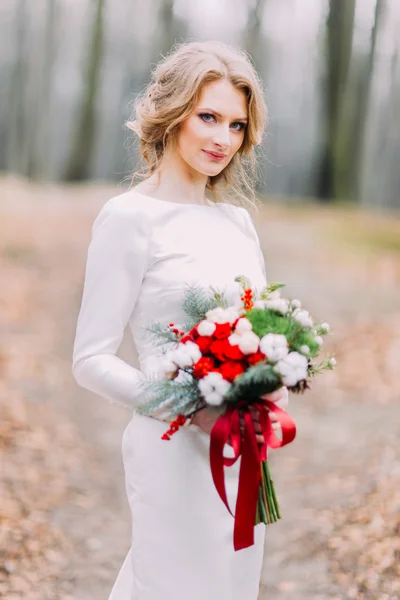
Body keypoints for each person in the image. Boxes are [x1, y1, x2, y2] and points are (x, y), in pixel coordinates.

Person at [72, 40, 289, 600]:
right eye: (208, 117)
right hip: (170, 448)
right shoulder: (129, 219)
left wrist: (271, 385)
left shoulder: (238, 223)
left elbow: (263, 329)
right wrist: (187, 404)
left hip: (242, 449)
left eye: (237, 126)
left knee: (230, 586)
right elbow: (90, 360)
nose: (223, 138)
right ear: (172, 114)